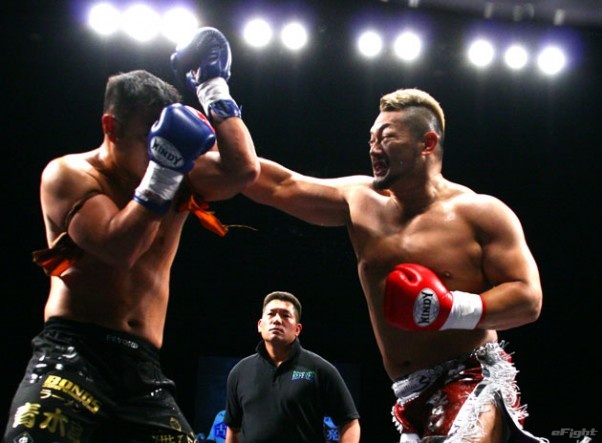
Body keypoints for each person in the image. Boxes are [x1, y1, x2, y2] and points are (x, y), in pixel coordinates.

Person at [242, 88, 549, 442]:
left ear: (427, 143)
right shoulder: (360, 201)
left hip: (470, 375)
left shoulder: (481, 213)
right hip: (408, 395)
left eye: (387, 138)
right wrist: (210, 144)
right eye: (371, 139)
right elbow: (280, 185)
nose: (374, 149)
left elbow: (528, 299)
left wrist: (449, 310)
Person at [3, 27, 259, 442]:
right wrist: (166, 168)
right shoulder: (70, 175)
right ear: (111, 127)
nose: (157, 149)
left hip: (143, 368)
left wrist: (212, 86)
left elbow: (243, 170)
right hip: (73, 353)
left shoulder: (177, 169)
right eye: (148, 139)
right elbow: (119, 248)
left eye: (164, 138)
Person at [224, 291, 361, 443]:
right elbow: (233, 428)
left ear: (297, 329)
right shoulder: (239, 372)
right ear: (260, 325)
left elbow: (350, 423)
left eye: (285, 315)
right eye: (271, 314)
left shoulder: (320, 369)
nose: (277, 320)